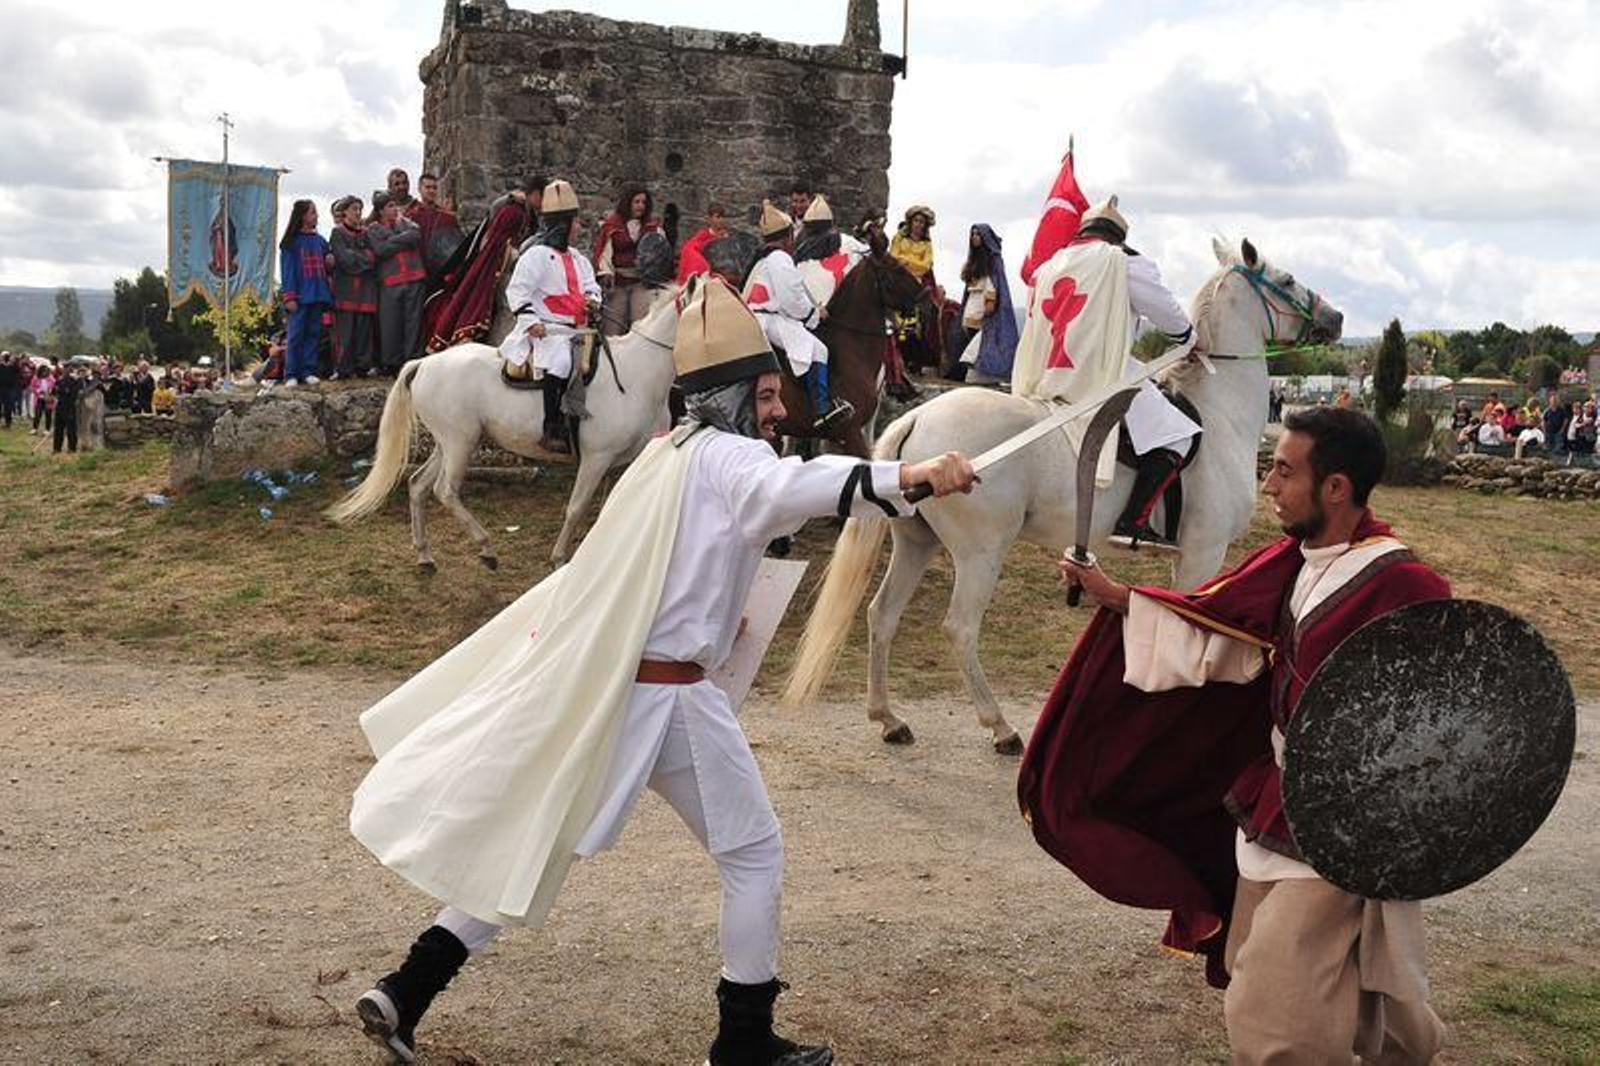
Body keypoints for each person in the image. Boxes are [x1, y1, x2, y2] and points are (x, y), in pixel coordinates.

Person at [349, 276, 978, 1066]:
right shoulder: (732, 458)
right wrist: (913, 477)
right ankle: (743, 1041)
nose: (779, 412)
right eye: (771, 395)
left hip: (618, 689)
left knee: (544, 839)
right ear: (736, 398)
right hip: (674, 698)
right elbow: (794, 486)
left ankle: (406, 989)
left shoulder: (664, 457)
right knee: (753, 855)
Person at [1028, 406, 1450, 1065]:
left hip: (1342, 829)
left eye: (1284, 470)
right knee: (1313, 967)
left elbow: (1444, 723)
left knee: (1274, 1012)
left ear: (1336, 487)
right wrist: (1115, 597)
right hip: (1275, 803)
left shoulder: (1406, 587)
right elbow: (1222, 632)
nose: (1270, 484)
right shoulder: (1296, 561)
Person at [1012, 196, 1200, 552]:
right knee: (1178, 435)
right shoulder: (1124, 263)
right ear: (1118, 237)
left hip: (1042, 377)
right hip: (1098, 373)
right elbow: (1169, 316)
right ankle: (1133, 522)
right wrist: (1190, 339)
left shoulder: (1047, 266)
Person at [498, 179, 601, 455]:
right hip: (547, 330)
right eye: (575, 222)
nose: (579, 228)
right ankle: (552, 427)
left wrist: (593, 301)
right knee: (561, 360)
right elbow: (517, 291)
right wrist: (532, 323)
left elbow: (592, 287)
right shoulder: (536, 256)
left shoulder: (580, 258)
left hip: (578, 328)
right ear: (562, 225)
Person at [743, 200, 850, 431]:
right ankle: (822, 409)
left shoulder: (763, 258)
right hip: (767, 320)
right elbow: (791, 298)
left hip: (760, 316)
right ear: (788, 237)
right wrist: (814, 313)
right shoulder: (779, 258)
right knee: (818, 350)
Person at [422, 176, 543, 352]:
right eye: (542, 197)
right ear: (536, 194)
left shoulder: (526, 211)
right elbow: (500, 243)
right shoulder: (514, 211)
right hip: (498, 269)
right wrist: (517, 256)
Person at [369, 192, 428, 374]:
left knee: (413, 322)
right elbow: (380, 249)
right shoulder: (373, 229)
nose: (395, 209)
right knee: (390, 323)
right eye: (390, 206)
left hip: (414, 278)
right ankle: (392, 363)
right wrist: (402, 240)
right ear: (380, 211)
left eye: (395, 205)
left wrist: (391, 239)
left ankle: (411, 360)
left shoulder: (405, 222)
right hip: (390, 281)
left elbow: (415, 235)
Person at [953, 224, 1019, 386]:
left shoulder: (993, 260)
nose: (974, 237)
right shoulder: (973, 261)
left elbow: (994, 283)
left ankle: (984, 373)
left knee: (982, 340)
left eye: (977, 234)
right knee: (967, 338)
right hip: (972, 304)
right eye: (972, 234)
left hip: (984, 304)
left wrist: (990, 302)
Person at [593, 184, 663, 336]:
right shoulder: (613, 225)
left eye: (643, 202)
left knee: (641, 326)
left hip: (641, 283)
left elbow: (660, 254)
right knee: (613, 327)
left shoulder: (652, 226)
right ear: (628, 203)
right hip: (618, 283)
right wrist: (607, 275)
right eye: (636, 202)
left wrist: (654, 275)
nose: (640, 206)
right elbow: (605, 254)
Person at [278, 199, 333, 388]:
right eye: (313, 212)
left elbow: (328, 260)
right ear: (302, 216)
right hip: (300, 297)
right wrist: (289, 296)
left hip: (318, 294)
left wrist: (330, 259)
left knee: (313, 333)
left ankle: (308, 370)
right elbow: (287, 271)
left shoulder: (320, 240)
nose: (316, 216)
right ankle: (291, 373)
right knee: (295, 336)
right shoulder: (290, 243)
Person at [329, 196, 379, 379]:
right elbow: (344, 260)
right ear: (344, 213)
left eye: (360, 209)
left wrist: (357, 258)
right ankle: (343, 368)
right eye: (354, 209)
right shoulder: (337, 233)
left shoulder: (366, 233)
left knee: (364, 331)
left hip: (365, 290)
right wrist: (361, 258)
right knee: (345, 332)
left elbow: (373, 257)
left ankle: (363, 367)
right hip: (346, 290)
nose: (358, 212)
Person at [404, 173, 463, 291]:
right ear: (420, 189)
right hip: (416, 274)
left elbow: (455, 247)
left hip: (440, 275)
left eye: (434, 188)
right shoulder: (410, 217)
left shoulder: (448, 218)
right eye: (428, 187)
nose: (431, 191)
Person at [676, 203, 731, 285]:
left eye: (723, 217)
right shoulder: (704, 234)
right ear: (710, 219)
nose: (721, 220)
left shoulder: (727, 236)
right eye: (718, 217)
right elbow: (690, 248)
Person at [52, 365, 84, 453]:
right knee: (58, 429)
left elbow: (77, 393)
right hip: (60, 406)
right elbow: (54, 392)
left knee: (71, 429)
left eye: (67, 369)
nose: (65, 371)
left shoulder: (75, 381)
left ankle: (72, 448)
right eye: (64, 369)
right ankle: (57, 448)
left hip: (70, 407)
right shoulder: (59, 381)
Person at [30, 363, 54, 435]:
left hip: (48, 398)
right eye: (43, 371)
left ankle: (47, 429)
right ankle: (35, 428)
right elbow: (32, 387)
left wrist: (50, 392)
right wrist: (38, 391)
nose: (45, 373)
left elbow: (53, 386)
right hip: (39, 398)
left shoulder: (51, 378)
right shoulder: (35, 378)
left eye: (46, 371)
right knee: (38, 413)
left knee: (48, 414)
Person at [0, 352, 17, 430]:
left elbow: (18, 369)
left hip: (10, 389)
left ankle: (8, 423)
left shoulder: (13, 366)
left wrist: (12, 362)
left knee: (8, 407)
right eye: (4, 356)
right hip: (1, 388)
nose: (6, 358)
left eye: (7, 356)